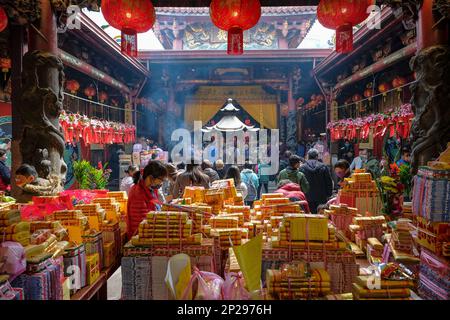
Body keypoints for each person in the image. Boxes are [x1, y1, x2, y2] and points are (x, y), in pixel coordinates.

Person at [127, 160, 168, 238]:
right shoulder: (138, 193)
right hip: (140, 238)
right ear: (151, 178)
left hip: (150, 233)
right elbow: (140, 224)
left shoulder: (151, 189)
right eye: (161, 180)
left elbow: (155, 206)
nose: (162, 183)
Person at [300, 148, 333, 213]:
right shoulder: (323, 166)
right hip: (321, 197)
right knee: (320, 217)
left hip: (307, 196)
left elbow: (299, 183)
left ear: (308, 156)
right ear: (317, 156)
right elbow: (328, 182)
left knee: (309, 216)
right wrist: (329, 194)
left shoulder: (302, 168)